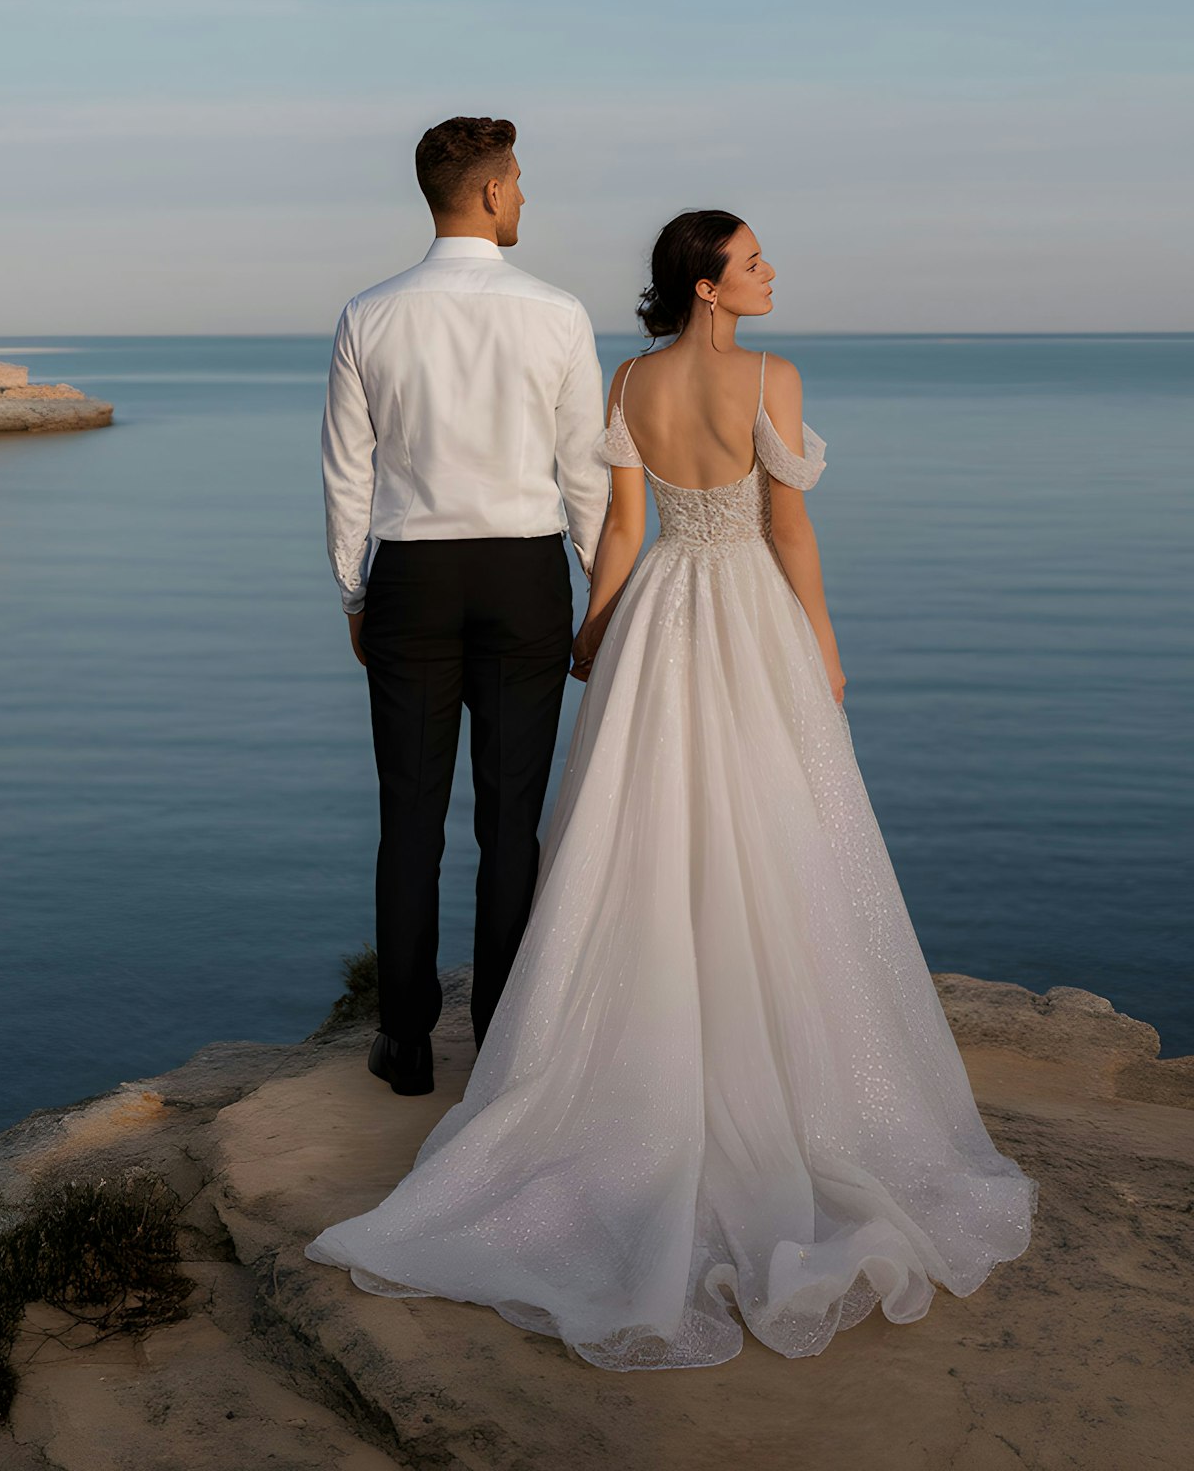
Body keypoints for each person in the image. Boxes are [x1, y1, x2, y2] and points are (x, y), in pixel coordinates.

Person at [308, 209, 1037, 1369]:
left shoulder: (630, 380)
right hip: (748, 611)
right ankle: (753, 1043)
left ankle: (594, 1044)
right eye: (753, 261)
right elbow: (789, 529)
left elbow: (622, 530)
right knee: (771, 832)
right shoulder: (771, 378)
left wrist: (598, 629)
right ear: (708, 284)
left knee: (629, 838)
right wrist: (827, 648)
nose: (771, 272)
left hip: (659, 617)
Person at [320, 115, 606, 1094]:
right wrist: (598, 592)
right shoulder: (559, 313)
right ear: (488, 193)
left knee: (410, 818)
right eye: (517, 180)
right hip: (525, 576)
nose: (523, 194)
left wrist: (355, 592)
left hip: (411, 576)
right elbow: (587, 478)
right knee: (510, 821)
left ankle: (403, 1042)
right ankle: (503, 1042)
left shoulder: (368, 314)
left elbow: (345, 478)